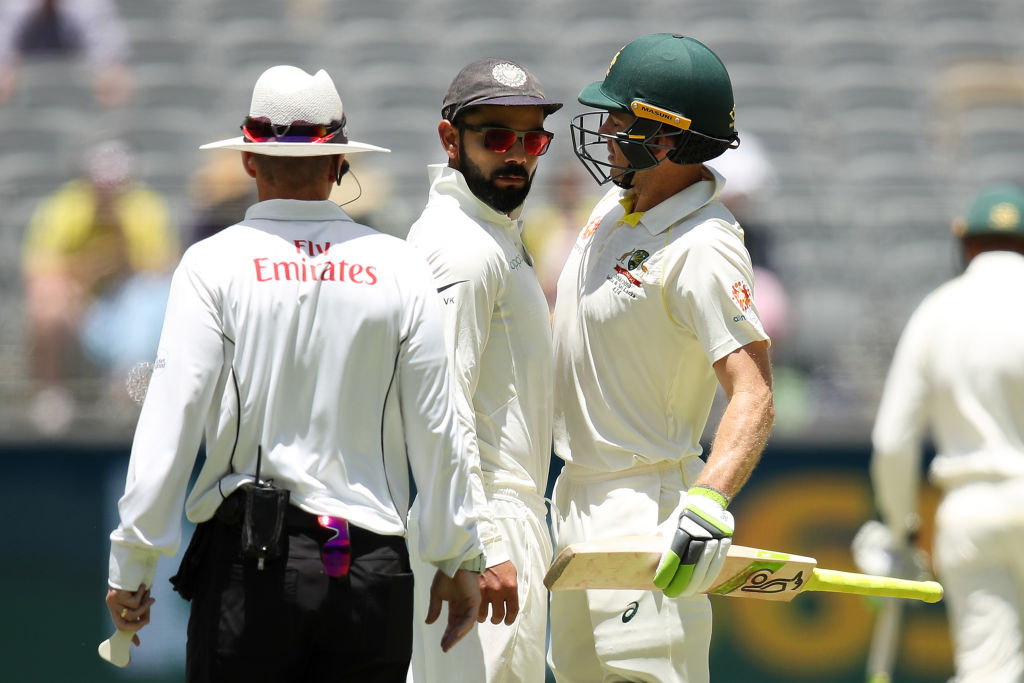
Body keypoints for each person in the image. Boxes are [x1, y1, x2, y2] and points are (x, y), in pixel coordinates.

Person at [103, 65, 486, 683]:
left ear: (250, 161)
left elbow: (170, 423)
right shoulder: (399, 266)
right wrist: (459, 555)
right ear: (339, 164)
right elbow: (440, 431)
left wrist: (133, 567)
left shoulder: (212, 264)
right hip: (369, 570)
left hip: (251, 569)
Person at [547, 34, 775, 682]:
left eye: (621, 120)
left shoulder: (705, 244)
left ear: (667, 140)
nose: (607, 131)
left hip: (648, 503)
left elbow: (754, 391)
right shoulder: (612, 208)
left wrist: (707, 502)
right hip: (576, 500)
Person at [404, 58, 561, 683]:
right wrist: (484, 546)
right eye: (496, 136)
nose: (516, 154)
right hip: (485, 523)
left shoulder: (491, 233)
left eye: (532, 139)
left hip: (496, 519)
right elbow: (444, 408)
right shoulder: (464, 248)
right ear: (450, 140)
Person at [865, 184, 1024, 683]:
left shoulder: (939, 309)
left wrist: (898, 529)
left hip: (971, 512)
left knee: (987, 672)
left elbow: (893, 439)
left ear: (964, 241)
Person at [21, 138, 178, 434]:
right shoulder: (66, 206)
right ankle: (51, 396)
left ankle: (125, 392)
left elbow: (161, 268)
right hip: (83, 307)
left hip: (130, 308)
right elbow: (38, 268)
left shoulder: (144, 207)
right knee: (47, 301)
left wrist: (123, 259)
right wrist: (85, 272)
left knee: (147, 297)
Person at [0, 0, 133, 106]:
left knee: (116, 84)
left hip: (82, 94)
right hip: (24, 94)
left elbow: (109, 57)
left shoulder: (93, 4)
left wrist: (109, 71)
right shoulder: (11, 4)